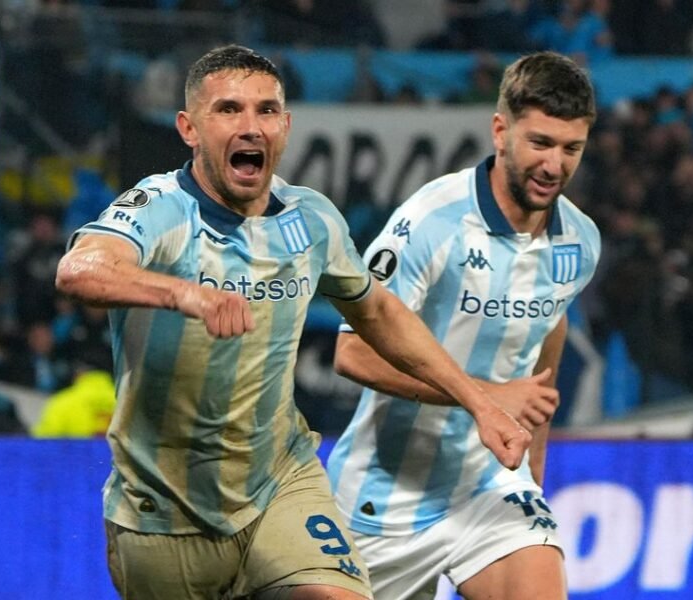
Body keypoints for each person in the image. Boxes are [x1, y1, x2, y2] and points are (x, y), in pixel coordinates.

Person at [55, 44, 538, 600]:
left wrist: (480, 403)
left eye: (266, 110)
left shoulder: (311, 219)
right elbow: (79, 270)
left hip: (279, 484)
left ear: (285, 126)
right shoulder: (159, 207)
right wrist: (184, 293)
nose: (251, 126)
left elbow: (378, 312)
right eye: (229, 109)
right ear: (189, 128)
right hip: (162, 510)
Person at [326, 51, 601, 599]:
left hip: (490, 484)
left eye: (571, 148)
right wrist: (486, 399)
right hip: (386, 495)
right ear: (500, 131)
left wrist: (533, 467)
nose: (554, 165)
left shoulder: (580, 241)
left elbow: (551, 327)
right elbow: (352, 352)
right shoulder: (432, 220)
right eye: (541, 143)